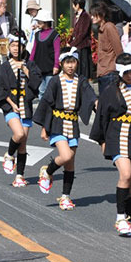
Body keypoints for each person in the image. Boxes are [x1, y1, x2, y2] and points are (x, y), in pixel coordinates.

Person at [90, 53, 131, 237]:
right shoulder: (110, 90)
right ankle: (120, 217)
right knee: (126, 174)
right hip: (117, 135)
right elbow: (102, 117)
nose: (130, 75)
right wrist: (102, 140)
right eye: (127, 72)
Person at [34, 49, 96, 210]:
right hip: (57, 122)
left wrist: (96, 103)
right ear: (61, 64)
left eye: (73, 62)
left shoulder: (80, 80)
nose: (70, 66)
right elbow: (46, 103)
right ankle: (47, 171)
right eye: (67, 62)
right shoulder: (55, 81)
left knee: (70, 163)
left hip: (72, 123)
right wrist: (44, 128)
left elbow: (89, 95)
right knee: (66, 155)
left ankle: (65, 196)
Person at [0, 31, 42, 188]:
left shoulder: (31, 64)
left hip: (26, 107)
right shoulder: (5, 67)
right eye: (13, 45)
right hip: (11, 107)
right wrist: (10, 103)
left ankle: (20, 176)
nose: (16, 49)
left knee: (23, 143)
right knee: (19, 133)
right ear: (9, 47)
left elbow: (36, 84)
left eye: (19, 46)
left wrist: (26, 70)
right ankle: (9, 155)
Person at [92, 1, 124, 94]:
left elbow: (119, 50)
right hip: (102, 72)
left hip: (110, 72)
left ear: (102, 14)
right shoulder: (100, 29)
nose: (92, 17)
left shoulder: (109, 27)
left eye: (94, 15)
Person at [28, 9, 61, 97]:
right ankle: (42, 110)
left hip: (50, 68)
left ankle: (49, 110)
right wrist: (30, 63)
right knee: (41, 91)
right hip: (39, 68)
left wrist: (56, 65)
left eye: (39, 21)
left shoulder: (55, 35)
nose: (37, 23)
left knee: (49, 91)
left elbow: (57, 51)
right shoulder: (37, 34)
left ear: (45, 22)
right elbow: (34, 50)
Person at [69, 0, 93, 80]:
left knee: (83, 68)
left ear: (78, 5)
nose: (72, 7)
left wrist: (72, 44)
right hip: (76, 46)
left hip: (83, 46)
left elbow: (82, 34)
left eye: (73, 4)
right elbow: (74, 31)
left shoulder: (86, 16)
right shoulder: (76, 16)